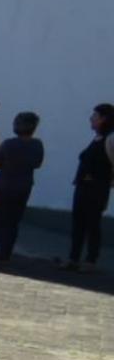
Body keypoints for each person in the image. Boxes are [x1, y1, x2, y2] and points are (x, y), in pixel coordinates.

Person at [62, 103, 113, 272]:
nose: (91, 119)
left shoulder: (110, 139)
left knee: (92, 224)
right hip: (83, 188)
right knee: (78, 223)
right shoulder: (96, 139)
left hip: (96, 189)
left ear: (104, 119)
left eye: (95, 116)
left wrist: (105, 182)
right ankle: (73, 258)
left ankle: (91, 260)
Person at [0, 111, 44, 261]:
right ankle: (7, 250)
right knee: (14, 221)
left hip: (5, 185)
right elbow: (38, 164)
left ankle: (2, 252)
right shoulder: (37, 144)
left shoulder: (9, 143)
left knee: (2, 220)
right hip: (24, 186)